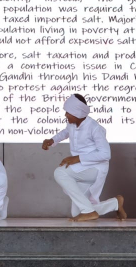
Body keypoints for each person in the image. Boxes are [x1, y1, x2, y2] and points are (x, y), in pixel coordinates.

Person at [42, 94, 127, 222]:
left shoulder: (94, 128)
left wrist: (78, 158)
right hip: (81, 168)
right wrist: (52, 140)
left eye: (68, 112)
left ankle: (89, 212)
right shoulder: (72, 124)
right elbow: (65, 132)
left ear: (77, 113)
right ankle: (115, 204)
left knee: (60, 172)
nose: (65, 115)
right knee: (77, 211)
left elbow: (106, 154)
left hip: (95, 168)